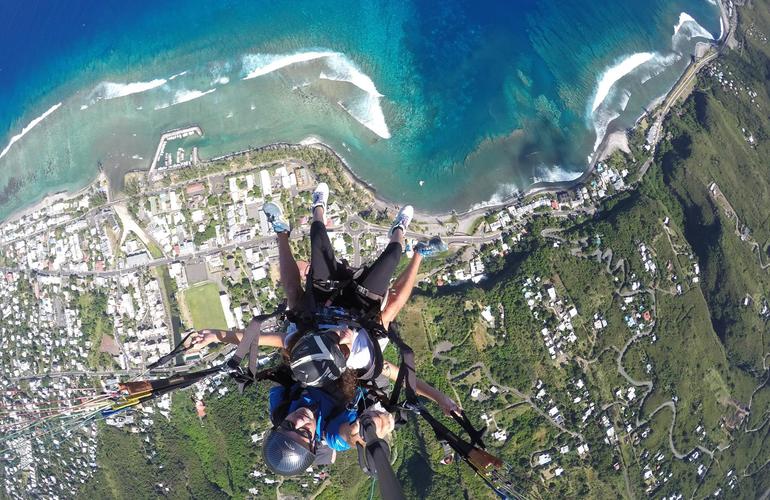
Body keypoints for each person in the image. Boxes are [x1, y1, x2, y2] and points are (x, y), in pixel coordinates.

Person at [190, 182, 457, 475]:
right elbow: (385, 388)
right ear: (315, 442)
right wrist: (374, 426)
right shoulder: (331, 429)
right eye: (303, 432)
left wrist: (218, 335)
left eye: (289, 425)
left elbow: (270, 341)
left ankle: (301, 218)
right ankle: (414, 249)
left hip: (316, 327)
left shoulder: (281, 405)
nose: (300, 420)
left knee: (307, 265)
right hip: (357, 328)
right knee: (391, 284)